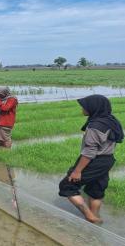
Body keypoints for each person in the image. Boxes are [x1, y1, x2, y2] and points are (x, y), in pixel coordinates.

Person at [59, 95, 123, 223]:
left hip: (94, 160)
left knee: (67, 185)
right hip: (107, 160)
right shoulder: (110, 120)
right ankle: (95, 217)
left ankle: (89, 216)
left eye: (85, 106)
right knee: (96, 189)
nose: (82, 108)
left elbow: (89, 152)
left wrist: (77, 171)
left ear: (93, 107)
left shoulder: (95, 126)